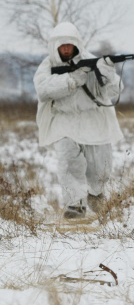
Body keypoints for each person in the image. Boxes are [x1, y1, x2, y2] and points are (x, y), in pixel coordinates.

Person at [33, 22, 124, 219]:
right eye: (62, 45)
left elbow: (112, 92)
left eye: (69, 45)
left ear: (76, 45)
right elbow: (43, 90)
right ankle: (75, 204)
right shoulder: (48, 66)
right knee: (68, 161)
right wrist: (72, 79)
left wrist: (108, 74)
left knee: (99, 166)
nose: (66, 49)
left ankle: (96, 193)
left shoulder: (92, 61)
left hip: (93, 120)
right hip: (63, 121)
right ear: (56, 46)